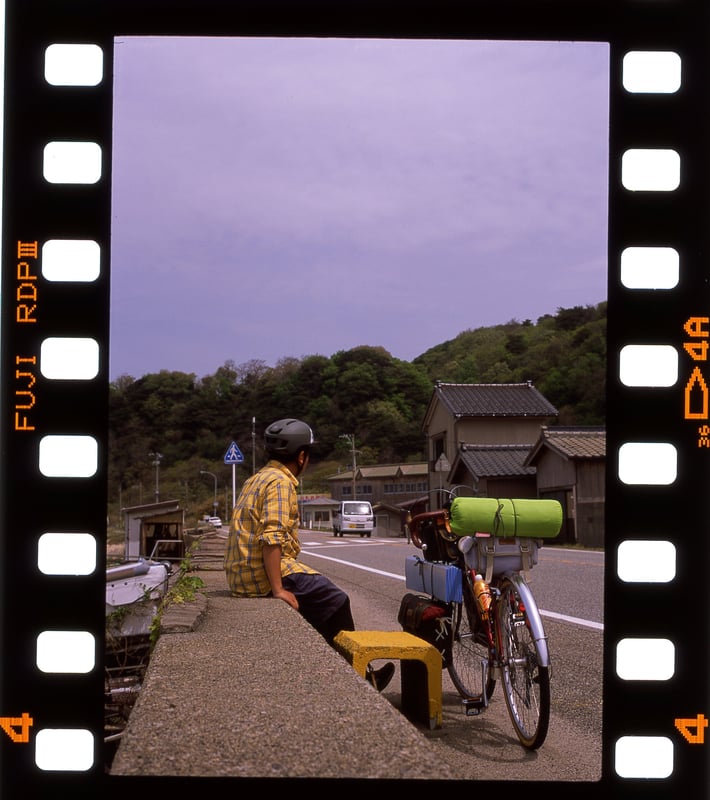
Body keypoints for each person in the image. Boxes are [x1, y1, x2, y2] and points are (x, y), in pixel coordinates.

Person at [224, 418, 394, 691]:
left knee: (316, 597)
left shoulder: (256, 479)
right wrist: (278, 589)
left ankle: (347, 670)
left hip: (241, 574)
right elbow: (272, 537)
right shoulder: (280, 483)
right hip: (260, 576)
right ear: (301, 456)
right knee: (335, 600)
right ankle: (363, 677)